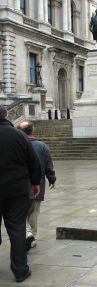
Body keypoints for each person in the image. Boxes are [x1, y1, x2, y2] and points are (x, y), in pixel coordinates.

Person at [0, 106, 41, 283]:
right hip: (16, 190)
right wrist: (35, 182)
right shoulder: (18, 135)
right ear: (7, 116)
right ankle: (20, 270)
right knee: (17, 229)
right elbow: (34, 161)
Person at [19, 122, 56, 250]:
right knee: (33, 212)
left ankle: (26, 234)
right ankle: (32, 236)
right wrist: (52, 179)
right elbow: (48, 165)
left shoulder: (18, 145)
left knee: (17, 212)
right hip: (37, 185)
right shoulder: (42, 146)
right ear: (32, 131)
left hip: (20, 184)